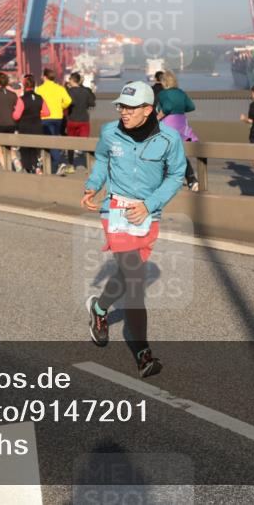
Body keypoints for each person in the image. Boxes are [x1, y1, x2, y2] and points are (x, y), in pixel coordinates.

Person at [82, 81, 186, 378]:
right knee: (136, 282)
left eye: (129, 107)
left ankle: (99, 310)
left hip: (147, 215)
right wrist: (92, 186)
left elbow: (177, 174)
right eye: (120, 106)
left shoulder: (169, 139)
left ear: (148, 110)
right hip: (115, 212)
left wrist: (150, 204)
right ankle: (143, 354)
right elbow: (102, 159)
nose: (123, 112)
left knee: (127, 276)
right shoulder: (109, 132)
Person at [155, 70, 199, 191]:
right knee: (180, 153)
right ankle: (192, 180)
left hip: (169, 124)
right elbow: (191, 106)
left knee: (163, 153)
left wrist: (158, 117)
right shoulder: (181, 93)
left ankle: (163, 182)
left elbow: (167, 107)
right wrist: (179, 107)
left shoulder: (163, 94)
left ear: (164, 82)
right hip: (181, 123)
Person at [35, 68, 72, 174]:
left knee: (50, 142)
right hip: (58, 117)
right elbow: (68, 101)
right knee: (54, 139)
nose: (41, 77)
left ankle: (59, 163)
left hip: (45, 118)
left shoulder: (40, 89)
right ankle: (53, 164)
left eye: (42, 75)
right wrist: (61, 106)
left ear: (45, 77)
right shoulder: (60, 88)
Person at [15, 74, 50, 174]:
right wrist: (37, 113)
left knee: (25, 150)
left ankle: (29, 168)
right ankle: (37, 167)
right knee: (36, 149)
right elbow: (47, 113)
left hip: (25, 127)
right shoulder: (40, 98)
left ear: (25, 86)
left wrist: (14, 113)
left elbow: (16, 116)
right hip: (37, 126)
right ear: (34, 86)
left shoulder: (21, 99)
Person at [64, 72, 95, 171]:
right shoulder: (86, 91)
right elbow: (92, 103)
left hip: (72, 120)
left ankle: (71, 165)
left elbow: (64, 103)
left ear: (72, 80)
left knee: (70, 144)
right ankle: (89, 165)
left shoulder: (68, 91)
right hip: (84, 120)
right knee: (86, 143)